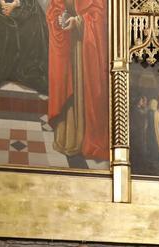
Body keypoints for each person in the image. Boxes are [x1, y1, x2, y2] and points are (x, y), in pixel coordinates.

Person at [47, 0, 108, 160]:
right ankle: (68, 138)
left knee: (83, 90)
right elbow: (54, 8)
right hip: (69, 44)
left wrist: (79, 21)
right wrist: (59, 18)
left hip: (84, 48)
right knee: (68, 86)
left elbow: (100, 16)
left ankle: (85, 140)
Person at [0, 0, 49, 93]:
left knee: (34, 17)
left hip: (23, 4)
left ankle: (25, 69)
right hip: (0, 6)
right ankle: (0, 72)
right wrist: (3, 4)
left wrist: (14, 4)